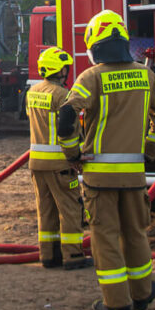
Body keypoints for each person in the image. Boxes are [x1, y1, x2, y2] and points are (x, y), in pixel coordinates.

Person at [59, 9, 155, 310]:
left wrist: (72, 154)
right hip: (135, 176)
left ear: (95, 44)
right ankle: (142, 293)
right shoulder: (145, 75)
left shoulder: (91, 77)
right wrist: (151, 148)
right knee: (136, 233)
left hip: (99, 179)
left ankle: (117, 304)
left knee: (106, 237)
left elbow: (67, 117)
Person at [26, 46, 89, 270]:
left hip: (36, 164)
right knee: (71, 208)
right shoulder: (63, 95)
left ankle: (49, 256)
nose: (68, 70)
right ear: (59, 69)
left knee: (46, 210)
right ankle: (73, 256)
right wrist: (76, 156)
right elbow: (68, 130)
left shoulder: (32, 92)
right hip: (60, 164)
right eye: (66, 67)